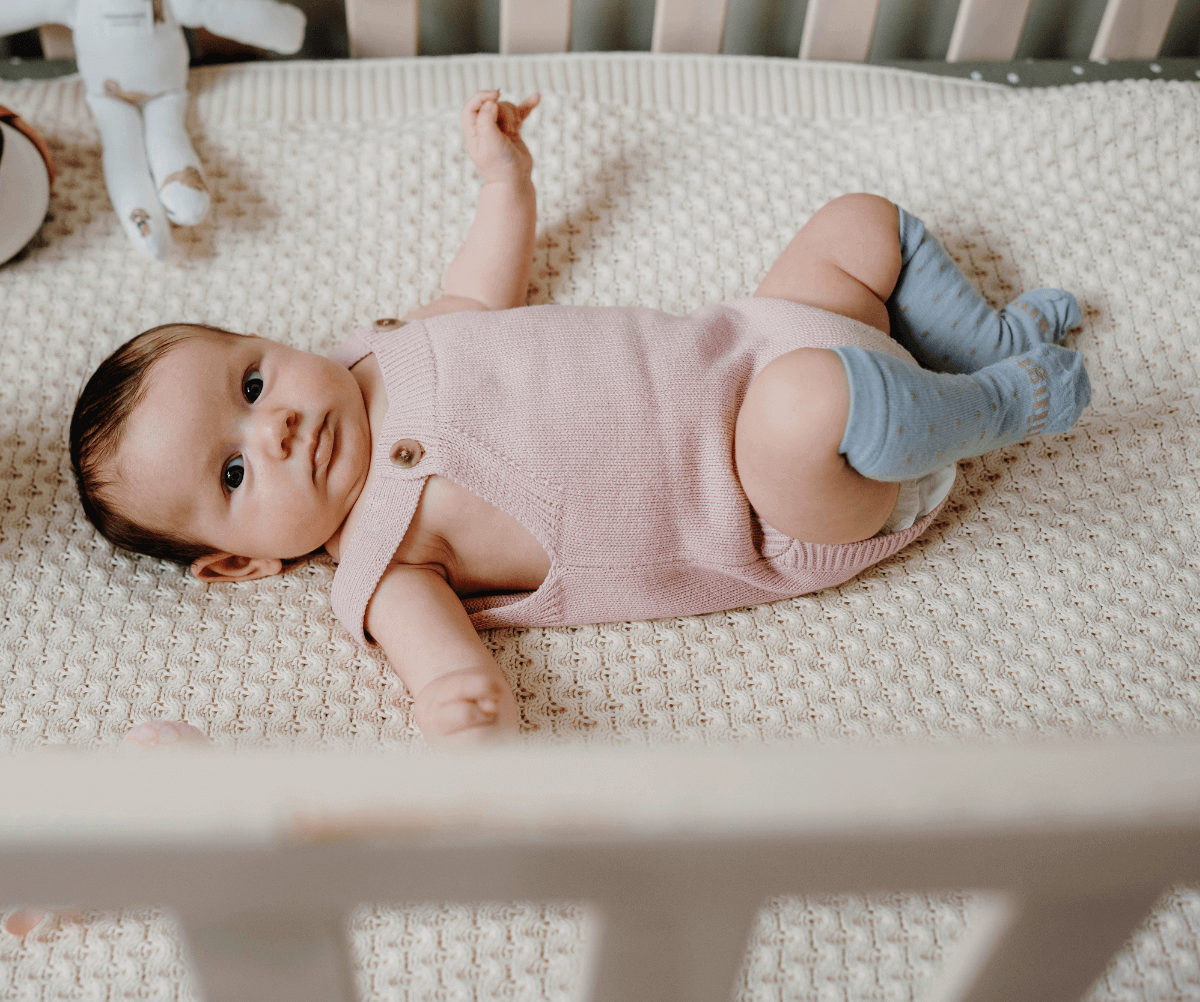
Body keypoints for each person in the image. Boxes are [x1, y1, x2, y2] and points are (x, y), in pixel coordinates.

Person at [70, 91, 1090, 745]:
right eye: (235, 474)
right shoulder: (385, 565)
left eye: (252, 386)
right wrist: (462, 734)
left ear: (267, 343)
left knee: (859, 225)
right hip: (791, 492)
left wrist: (503, 182)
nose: (277, 430)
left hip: (758, 336)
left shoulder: (377, 349)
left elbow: (481, 291)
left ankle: (986, 342)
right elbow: (455, 686)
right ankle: (1002, 404)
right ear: (240, 564)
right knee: (807, 403)